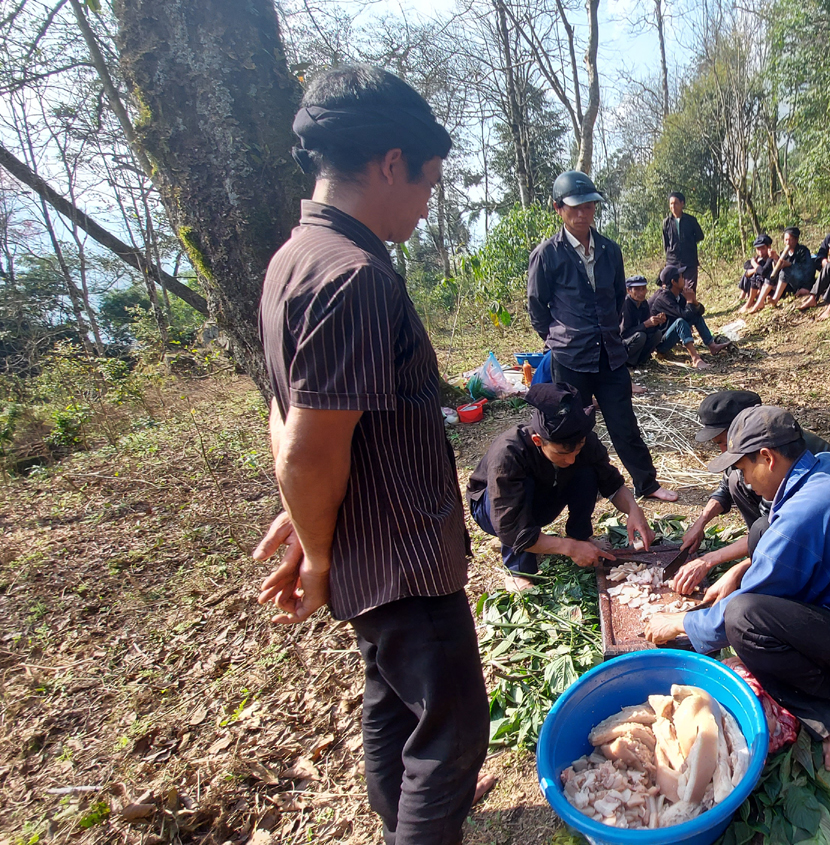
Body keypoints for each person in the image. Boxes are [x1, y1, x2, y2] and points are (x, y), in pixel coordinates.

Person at [254, 64, 491, 845]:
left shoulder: (293, 258)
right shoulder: (353, 277)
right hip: (402, 555)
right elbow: (308, 447)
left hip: (371, 553)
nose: (427, 204)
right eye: (428, 183)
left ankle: (397, 823)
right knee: (451, 734)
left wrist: (306, 523)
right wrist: (317, 555)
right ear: (392, 163)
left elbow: (286, 413)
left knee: (395, 700)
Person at [642, 406, 830, 771]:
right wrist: (739, 571)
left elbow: (748, 603)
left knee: (743, 619)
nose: (745, 482)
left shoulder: (803, 515)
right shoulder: (827, 466)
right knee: (760, 541)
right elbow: (775, 545)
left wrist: (681, 622)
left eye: (744, 470)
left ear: (767, 458)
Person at [528, 170, 679, 501]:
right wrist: (558, 339)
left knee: (624, 422)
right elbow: (537, 307)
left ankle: (647, 483)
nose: (582, 214)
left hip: (610, 354)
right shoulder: (547, 254)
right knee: (574, 426)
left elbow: (615, 299)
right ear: (558, 208)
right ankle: (582, 489)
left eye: (589, 206)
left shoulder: (610, 250)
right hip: (570, 358)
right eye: (574, 207)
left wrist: (606, 330)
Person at [468, 383, 656, 590]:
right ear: (537, 440)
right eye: (562, 453)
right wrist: (568, 548)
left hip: (545, 495)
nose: (570, 459)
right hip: (494, 509)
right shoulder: (509, 453)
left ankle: (580, 536)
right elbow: (510, 525)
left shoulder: (583, 441)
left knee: (587, 470)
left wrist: (633, 510)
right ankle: (518, 569)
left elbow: (611, 481)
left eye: (577, 449)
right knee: (525, 488)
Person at [673, 390, 830, 595]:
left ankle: (762, 554)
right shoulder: (758, 451)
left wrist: (720, 563)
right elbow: (725, 488)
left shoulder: (788, 467)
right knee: (735, 480)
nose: (722, 450)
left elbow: (778, 529)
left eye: (722, 442)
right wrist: (700, 523)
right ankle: (758, 548)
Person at [653, 265, 730, 368]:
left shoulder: (678, 296)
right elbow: (685, 316)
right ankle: (695, 359)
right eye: (681, 277)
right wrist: (689, 301)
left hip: (672, 335)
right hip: (661, 343)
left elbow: (699, 312)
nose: (684, 280)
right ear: (673, 282)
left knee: (696, 315)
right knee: (680, 322)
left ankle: (712, 345)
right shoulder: (663, 299)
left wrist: (694, 302)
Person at [662, 191, 705, 303]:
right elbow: (666, 244)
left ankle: (690, 308)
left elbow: (700, 236)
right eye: (671, 203)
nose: (673, 206)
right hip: (673, 261)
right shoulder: (666, 223)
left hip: (689, 260)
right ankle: (677, 309)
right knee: (674, 288)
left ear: (682, 204)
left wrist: (688, 243)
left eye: (676, 203)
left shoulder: (691, 220)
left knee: (690, 287)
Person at [619, 275, 665, 367]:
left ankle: (641, 361)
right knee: (641, 336)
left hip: (637, 338)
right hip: (623, 343)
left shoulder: (644, 304)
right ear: (629, 291)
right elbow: (624, 334)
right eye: (637, 289)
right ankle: (628, 363)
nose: (641, 292)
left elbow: (648, 328)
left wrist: (656, 322)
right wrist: (645, 325)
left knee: (657, 334)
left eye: (643, 289)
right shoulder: (626, 305)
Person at [764, 226, 816, 304]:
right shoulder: (783, 253)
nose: (788, 242)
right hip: (791, 284)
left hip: (804, 281)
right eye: (786, 240)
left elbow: (809, 269)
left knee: (786, 270)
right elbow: (778, 269)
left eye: (790, 240)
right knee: (774, 273)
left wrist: (790, 264)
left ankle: (775, 299)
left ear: (796, 240)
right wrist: (775, 258)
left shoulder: (803, 250)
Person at [740, 233, 778, 313]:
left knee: (757, 275)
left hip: (773, 287)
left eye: (763, 248)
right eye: (758, 249)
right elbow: (746, 266)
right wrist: (755, 267)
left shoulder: (771, 258)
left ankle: (753, 302)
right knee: (754, 275)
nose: (760, 252)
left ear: (769, 247)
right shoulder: (760, 259)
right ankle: (749, 301)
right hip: (762, 286)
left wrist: (754, 264)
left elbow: (763, 272)